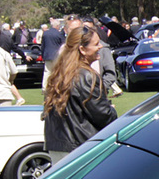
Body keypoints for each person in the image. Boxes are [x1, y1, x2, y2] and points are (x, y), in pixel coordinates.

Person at [42, 24, 118, 162]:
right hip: (80, 148)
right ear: (82, 49)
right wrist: (111, 110)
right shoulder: (87, 76)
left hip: (57, 147)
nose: (100, 47)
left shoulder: (59, 73)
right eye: (96, 44)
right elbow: (103, 116)